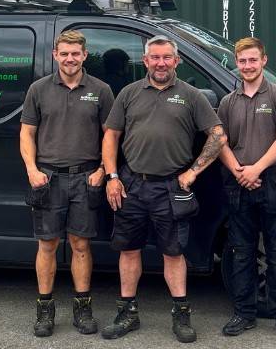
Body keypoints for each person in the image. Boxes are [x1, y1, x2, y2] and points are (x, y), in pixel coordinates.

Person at [99, 35, 226, 343]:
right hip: (131, 185)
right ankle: (127, 313)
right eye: (154, 57)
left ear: (176, 61)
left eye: (166, 57)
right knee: (129, 250)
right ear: (145, 61)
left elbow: (218, 135)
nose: (160, 63)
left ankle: (181, 316)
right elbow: (110, 136)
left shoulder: (192, 96)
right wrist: (112, 176)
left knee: (173, 252)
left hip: (171, 188)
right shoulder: (129, 94)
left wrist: (193, 172)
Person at [19, 30, 114, 338]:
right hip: (48, 178)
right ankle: (44, 310)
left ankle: (82, 308)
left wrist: (103, 169)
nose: (70, 58)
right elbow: (26, 134)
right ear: (55, 55)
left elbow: (111, 136)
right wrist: (32, 169)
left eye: (76, 53)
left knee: (81, 245)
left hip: (86, 177)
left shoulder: (101, 90)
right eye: (64, 53)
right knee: (47, 244)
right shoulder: (39, 89)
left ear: (85, 55)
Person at [216, 37, 276, 340]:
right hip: (238, 184)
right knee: (241, 253)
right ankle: (244, 313)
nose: (248, 66)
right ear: (236, 63)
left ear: (264, 61)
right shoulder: (228, 102)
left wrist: (257, 169)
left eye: (253, 60)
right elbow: (220, 142)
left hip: (273, 183)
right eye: (243, 61)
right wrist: (240, 171)